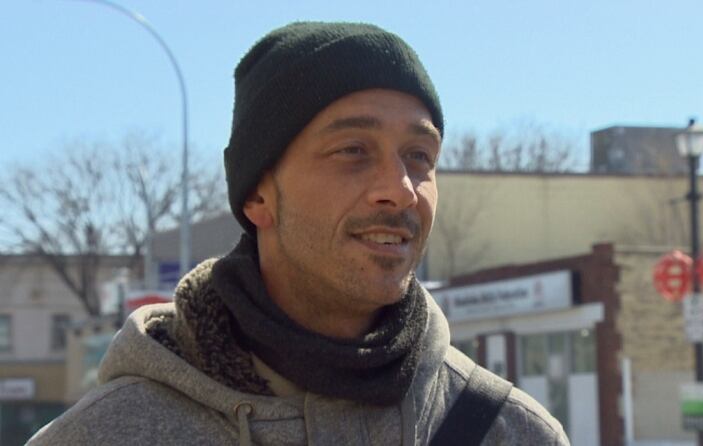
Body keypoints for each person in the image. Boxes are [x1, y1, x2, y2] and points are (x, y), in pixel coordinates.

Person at [29, 22, 569, 446]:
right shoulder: (108, 435)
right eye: (352, 151)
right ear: (257, 195)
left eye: (419, 157)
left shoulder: (510, 433)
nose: (400, 190)